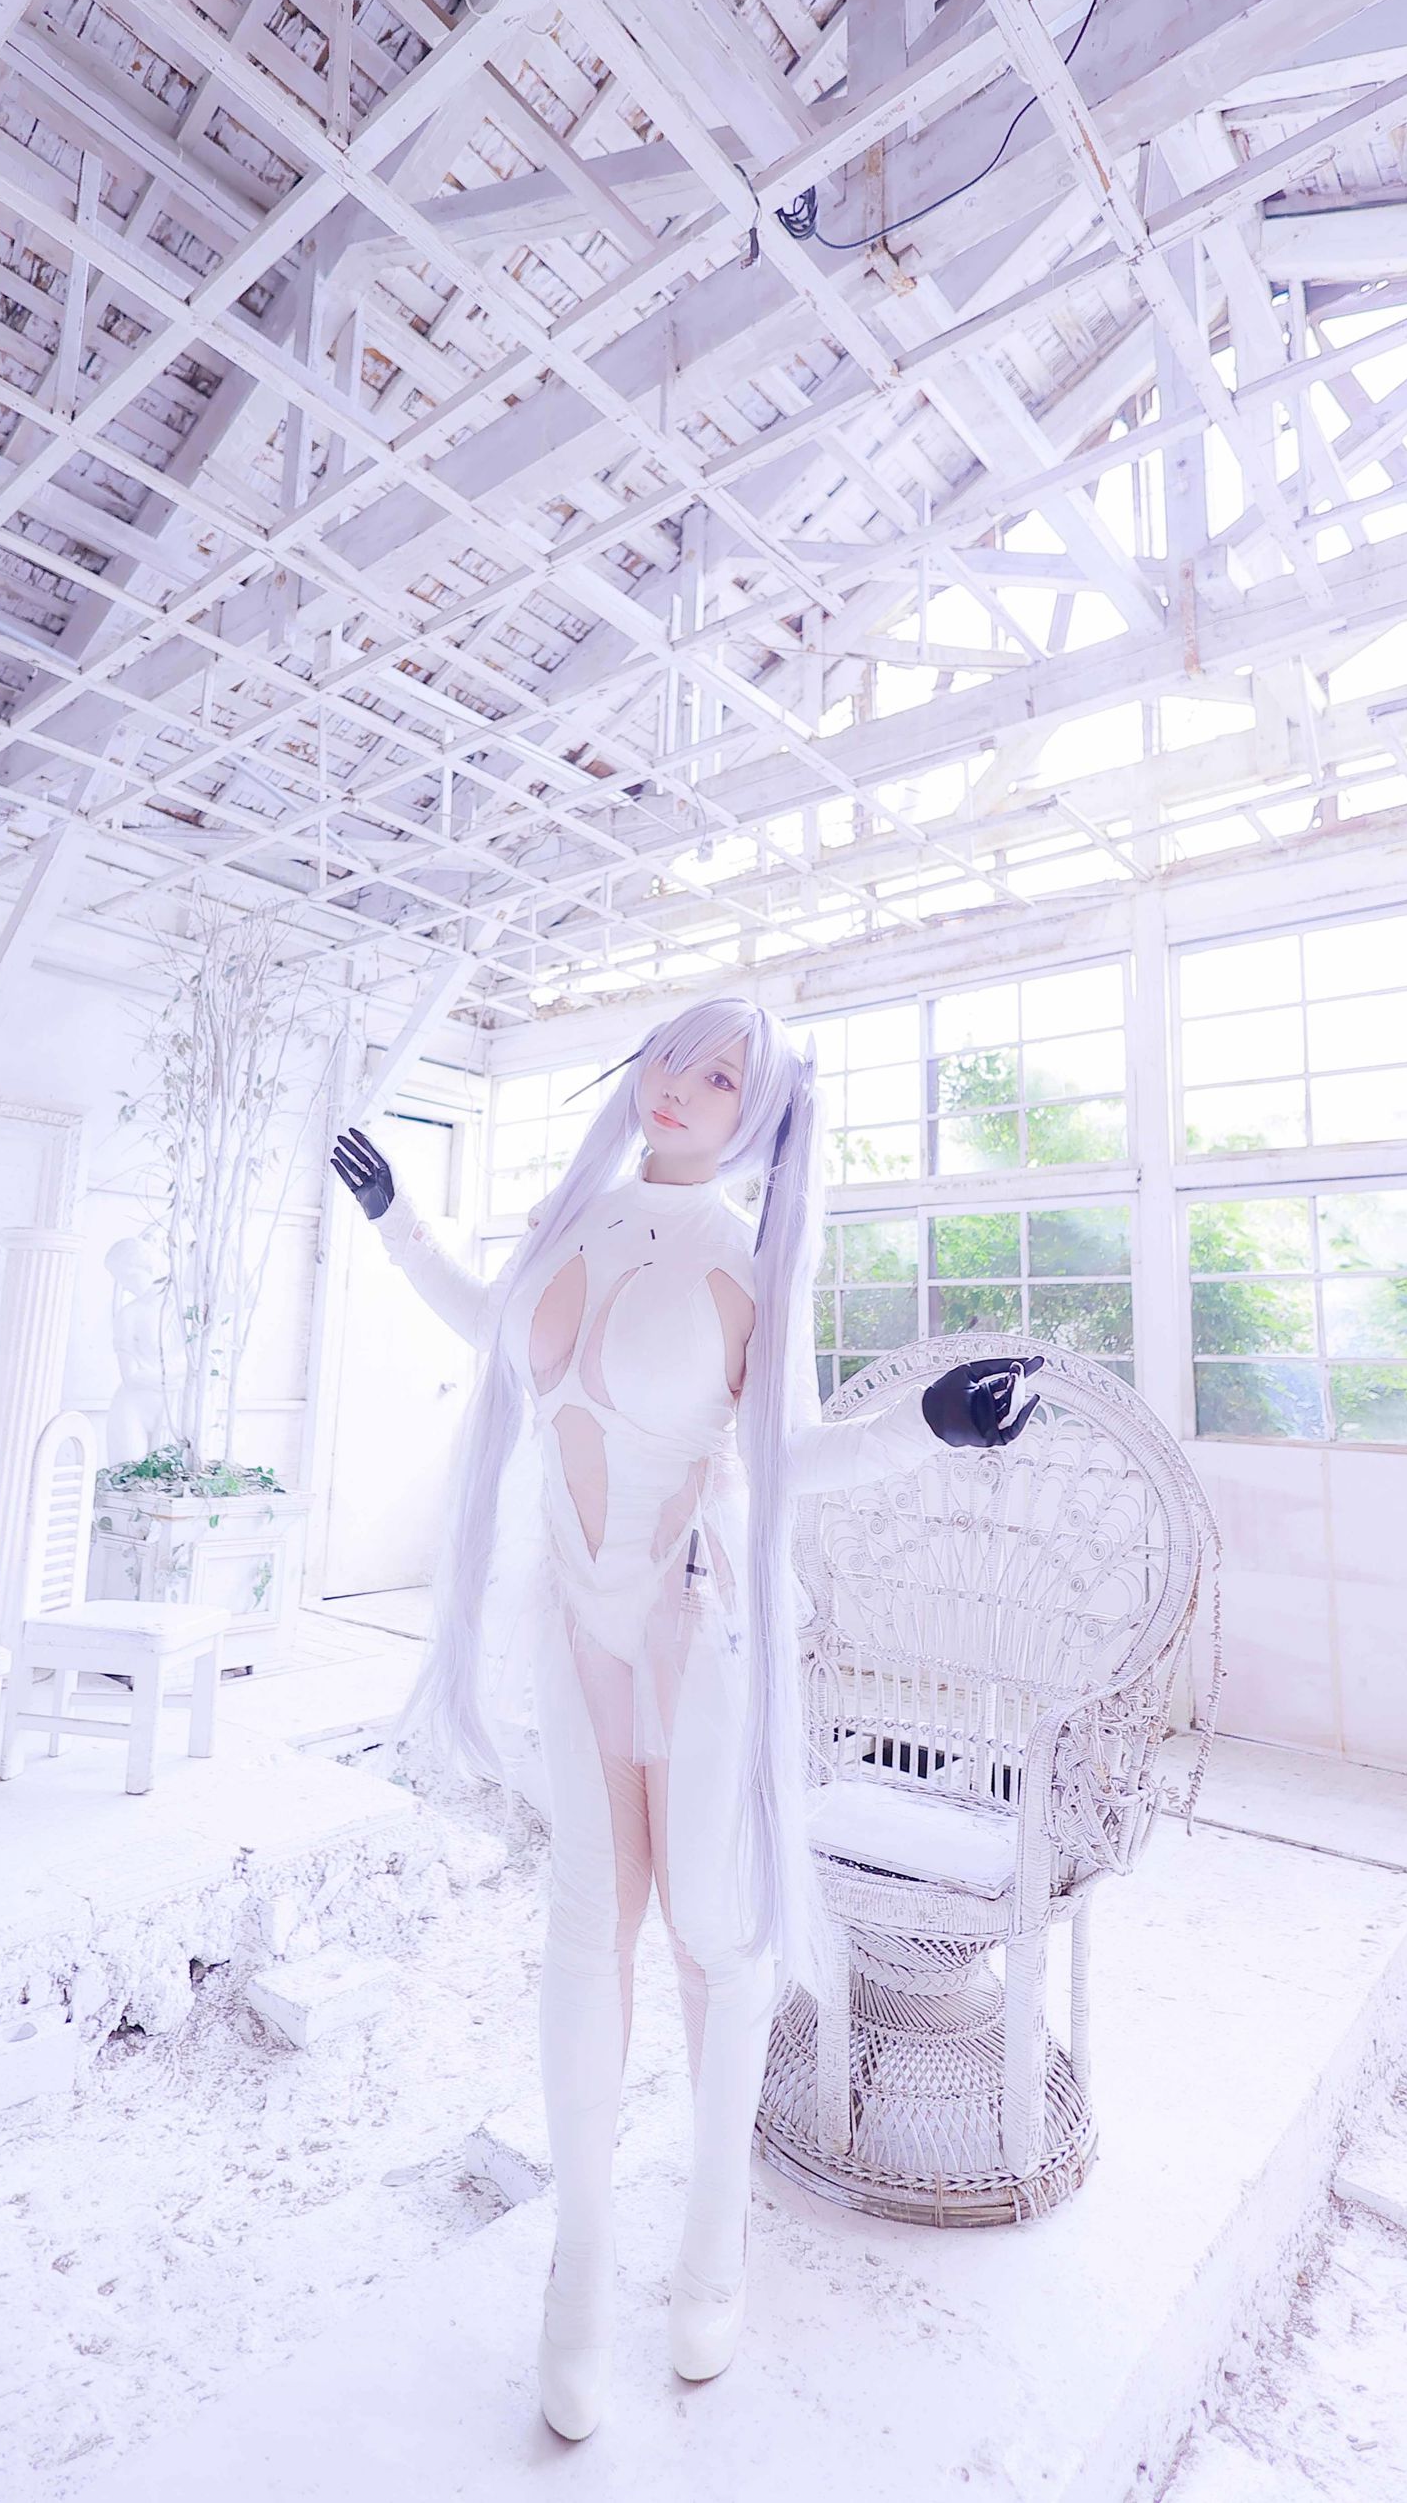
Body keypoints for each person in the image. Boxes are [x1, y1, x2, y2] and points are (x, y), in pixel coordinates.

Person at [330, 998, 1039, 2440]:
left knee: (713, 1929)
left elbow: (789, 1452)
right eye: (675, 1055)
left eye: (724, 1075)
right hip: (572, 1617)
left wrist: (928, 1430)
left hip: (699, 1622)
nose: (682, 1086)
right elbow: (493, 1330)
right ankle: (580, 2270)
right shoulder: (575, 1220)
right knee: (587, 1922)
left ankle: (712, 2252)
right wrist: (398, 1219)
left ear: (759, 1114)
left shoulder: (747, 1259)